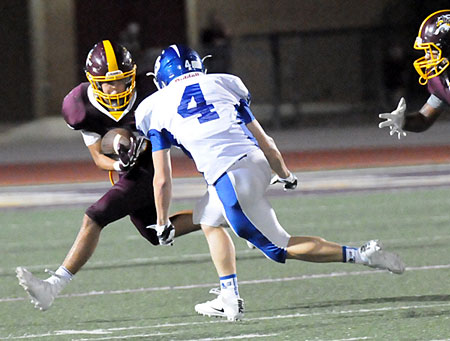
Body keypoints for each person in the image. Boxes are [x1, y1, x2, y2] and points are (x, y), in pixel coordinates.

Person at [135, 44, 406, 321]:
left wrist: (163, 223)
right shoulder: (224, 83)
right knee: (209, 219)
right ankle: (228, 296)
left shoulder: (154, 108)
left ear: (161, 78)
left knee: (279, 248)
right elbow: (267, 142)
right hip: (256, 164)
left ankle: (362, 255)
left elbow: (162, 179)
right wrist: (285, 174)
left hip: (228, 177)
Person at [16, 40, 200, 311]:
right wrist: (119, 164)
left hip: (153, 164)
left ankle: (52, 286)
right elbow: (98, 157)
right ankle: (225, 215)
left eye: (123, 82)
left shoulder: (150, 92)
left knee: (95, 215)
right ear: (93, 81)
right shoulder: (79, 105)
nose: (116, 89)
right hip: (127, 171)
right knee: (154, 233)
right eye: (108, 83)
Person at [379, 9, 450, 138]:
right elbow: (423, 118)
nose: (427, 57)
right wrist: (404, 121)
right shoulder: (442, 81)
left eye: (432, 50)